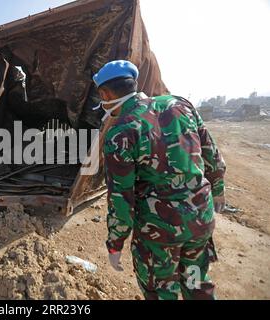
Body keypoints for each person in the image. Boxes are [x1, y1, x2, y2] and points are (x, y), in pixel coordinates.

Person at [93, 60, 226, 300]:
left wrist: (115, 243)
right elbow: (212, 155)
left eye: (101, 98)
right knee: (197, 284)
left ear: (105, 94)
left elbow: (121, 200)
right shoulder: (180, 104)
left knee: (163, 291)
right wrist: (217, 190)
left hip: (159, 233)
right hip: (200, 220)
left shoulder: (121, 133)